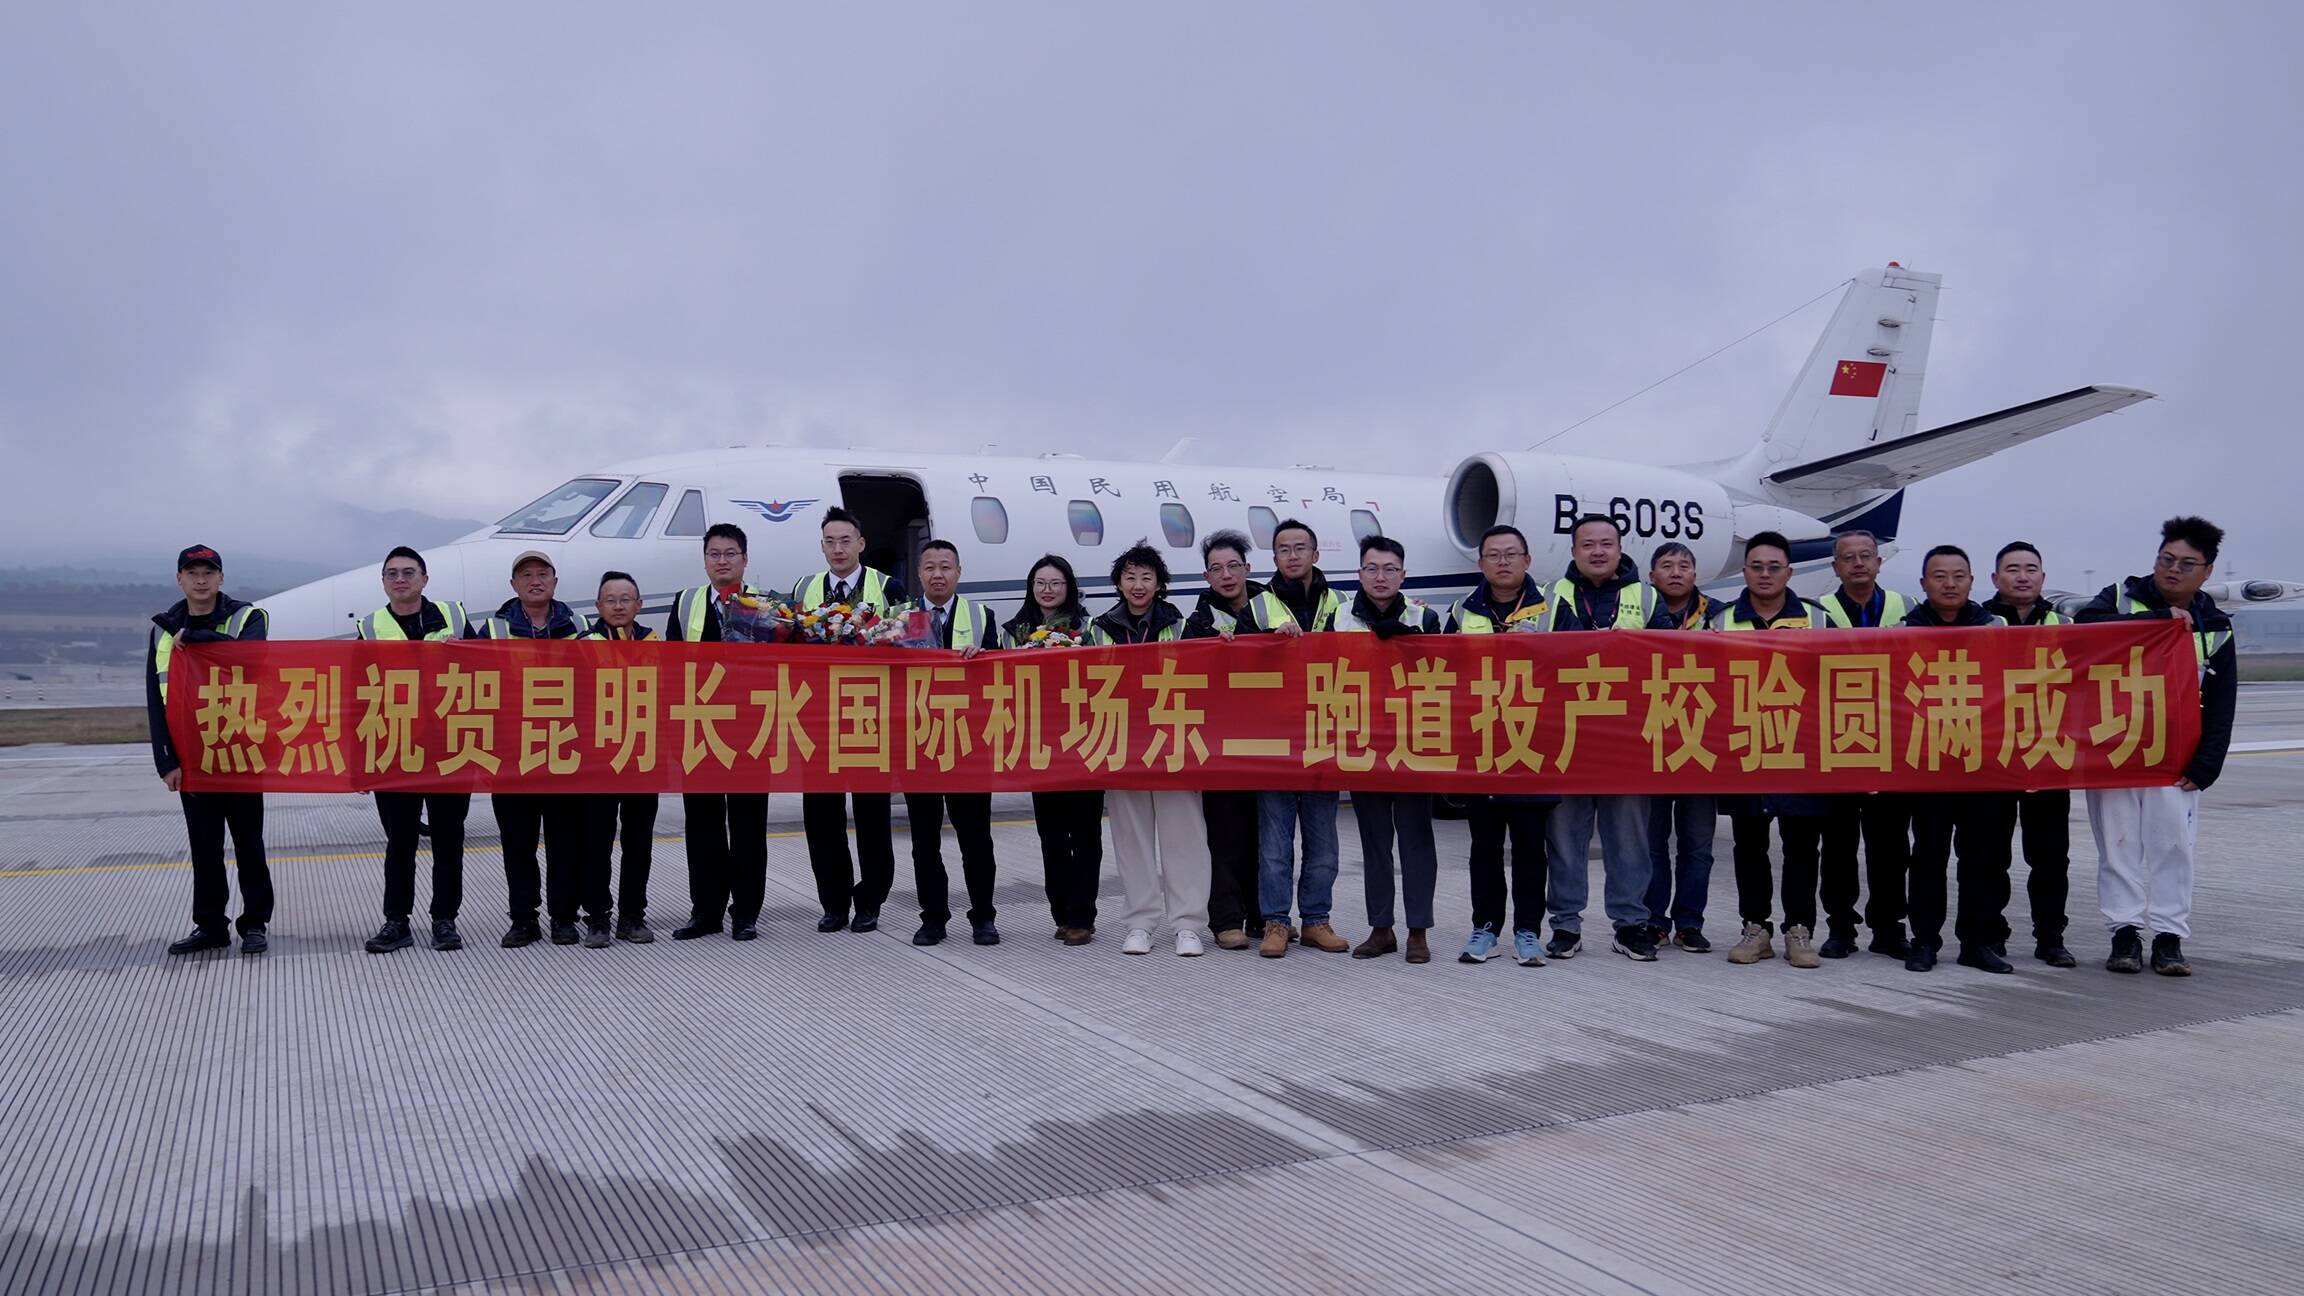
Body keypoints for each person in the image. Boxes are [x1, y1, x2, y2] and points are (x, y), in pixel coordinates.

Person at [2075, 515, 2237, 977]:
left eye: (2187, 564)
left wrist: (2207, 766)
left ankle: (2169, 937)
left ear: (2207, 572)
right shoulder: (2120, 598)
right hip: (2115, 750)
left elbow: (2222, 701)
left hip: (2175, 758)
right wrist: (2154, 621)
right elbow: (2083, 629)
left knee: (2173, 847)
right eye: (2166, 559)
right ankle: (2124, 934)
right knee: (2118, 846)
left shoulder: (2217, 625)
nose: (2173, 570)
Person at [1709, 532, 1831, 969]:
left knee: (1802, 848)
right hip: (1745, 751)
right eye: (1756, 566)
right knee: (1749, 846)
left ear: (1790, 572)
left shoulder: (1819, 621)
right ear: (1744, 572)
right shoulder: (1720, 623)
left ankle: (1800, 930)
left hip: (1803, 752)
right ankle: (1755, 928)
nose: (1764, 574)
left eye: (1773, 567)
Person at [1542, 515, 1660, 961]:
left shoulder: (1646, 596)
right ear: (1573, 551)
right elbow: (1533, 658)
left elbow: (1671, 657)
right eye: (1587, 544)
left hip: (1627, 739)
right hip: (1568, 737)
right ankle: (1566, 925)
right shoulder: (1554, 596)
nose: (1597, 551)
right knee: (1566, 838)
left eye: (1606, 543)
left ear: (1620, 548)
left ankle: (1630, 924)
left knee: (1628, 838)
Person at [147, 544, 273, 956]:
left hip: (239, 750)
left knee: (248, 843)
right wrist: (165, 760)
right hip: (192, 756)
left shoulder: (248, 617)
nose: (200, 580)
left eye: (208, 572)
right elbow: (155, 697)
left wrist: (197, 638)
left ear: (221, 578)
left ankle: (255, 923)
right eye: (192, 572)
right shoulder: (163, 630)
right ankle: (210, 925)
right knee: (204, 847)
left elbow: (248, 659)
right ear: (179, 579)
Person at [1089, 541, 1211, 956]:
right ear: (1119, 583)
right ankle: (1140, 922)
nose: (1138, 585)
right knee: (1131, 836)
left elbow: (1206, 674)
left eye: (1146, 577)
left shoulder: (1183, 625)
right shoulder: (1099, 627)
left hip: (1174, 740)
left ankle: (1188, 925)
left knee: (1185, 836)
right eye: (1130, 577)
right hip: (1122, 741)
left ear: (1160, 584)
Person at [792, 506, 906, 933]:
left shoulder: (888, 586)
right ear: (821, 546)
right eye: (829, 541)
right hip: (818, 717)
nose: (837, 549)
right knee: (821, 817)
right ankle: (834, 902)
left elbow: (909, 643)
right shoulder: (805, 589)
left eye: (845, 541)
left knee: (872, 815)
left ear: (861, 544)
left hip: (869, 716)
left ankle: (871, 900)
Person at [356, 545, 475, 954]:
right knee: (400, 843)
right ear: (384, 583)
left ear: (425, 579)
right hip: (394, 751)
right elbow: (358, 696)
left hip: (449, 749)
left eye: (409, 572)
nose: (401, 580)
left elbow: (484, 677)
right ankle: (396, 921)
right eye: (393, 574)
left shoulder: (454, 618)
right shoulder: (370, 628)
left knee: (448, 840)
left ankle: (445, 920)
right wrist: (362, 762)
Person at [1181, 529, 1296, 950]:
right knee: (1227, 834)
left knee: (1271, 834)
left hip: (1272, 738)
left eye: (1234, 566)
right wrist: (1213, 648)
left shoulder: (1275, 605)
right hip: (1223, 742)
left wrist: (1285, 636)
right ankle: (1227, 918)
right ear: (1207, 576)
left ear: (1248, 568)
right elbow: (1189, 671)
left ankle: (1268, 917)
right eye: (1216, 569)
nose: (1226, 575)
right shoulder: (1199, 620)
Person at [1900, 545, 2012, 974]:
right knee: (1927, 856)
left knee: (1982, 857)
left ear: (1972, 581)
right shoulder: (1903, 631)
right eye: (1940, 576)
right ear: (1925, 583)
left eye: (1958, 576)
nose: (1949, 584)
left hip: (1982, 762)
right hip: (1928, 762)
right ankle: (1924, 940)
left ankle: (1978, 942)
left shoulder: (1996, 628)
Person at [1447, 524, 1555, 966]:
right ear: (1481, 564)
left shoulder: (1551, 608)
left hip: (1534, 743)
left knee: (1531, 848)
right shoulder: (1461, 611)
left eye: (1512, 554)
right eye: (1494, 555)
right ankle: (1485, 928)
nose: (1503, 562)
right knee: (1484, 848)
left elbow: (1578, 665)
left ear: (1527, 561)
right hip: (1482, 745)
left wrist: (1540, 651)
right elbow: (1447, 676)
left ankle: (1528, 931)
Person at [1335, 534, 1446, 964]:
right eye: (1371, 569)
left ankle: (1418, 930)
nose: (1380, 577)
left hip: (1415, 743)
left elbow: (1447, 679)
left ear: (1403, 574)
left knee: (1418, 840)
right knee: (1374, 842)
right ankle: (1380, 928)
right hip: (1362, 743)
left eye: (1389, 569)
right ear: (1360, 573)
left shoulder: (1425, 616)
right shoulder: (1340, 619)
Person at [480, 551, 597, 948]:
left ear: (555, 581)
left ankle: (564, 917)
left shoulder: (579, 626)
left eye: (542, 574)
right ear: (513, 585)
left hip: (565, 752)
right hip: (513, 753)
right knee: (518, 842)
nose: (534, 581)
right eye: (525, 575)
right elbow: (473, 682)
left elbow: (597, 685)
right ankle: (523, 919)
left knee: (566, 841)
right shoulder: (493, 629)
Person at [663, 523, 771, 941]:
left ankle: (745, 913)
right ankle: (705, 911)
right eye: (714, 554)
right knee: (703, 824)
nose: (721, 561)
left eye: (730, 554)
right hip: (700, 726)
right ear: (704, 559)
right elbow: (672, 665)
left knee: (748, 825)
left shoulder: (765, 605)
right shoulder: (686, 602)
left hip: (750, 730)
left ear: (744, 559)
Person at [893, 540, 1002, 947]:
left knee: (976, 838)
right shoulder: (900, 619)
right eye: (930, 568)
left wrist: (984, 656)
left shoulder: (981, 616)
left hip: (968, 742)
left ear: (959, 572)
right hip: (918, 738)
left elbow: (1001, 677)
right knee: (925, 839)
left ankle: (984, 918)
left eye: (946, 567)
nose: (938, 575)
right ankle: (933, 918)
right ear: (918, 574)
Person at [1816, 530, 1915, 961]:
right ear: (1835, 567)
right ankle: (1841, 927)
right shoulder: (1818, 613)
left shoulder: (1907, 609)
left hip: (1892, 743)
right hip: (1836, 741)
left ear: (1879, 562)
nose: (1858, 564)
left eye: (1866, 556)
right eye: (1848, 558)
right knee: (1837, 846)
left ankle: (1889, 927)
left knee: (1891, 845)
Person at [1257, 518, 1351, 957]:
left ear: (1316, 554)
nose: (1292, 556)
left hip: (1324, 735)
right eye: (1283, 549)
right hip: (1273, 739)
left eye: (1300, 548)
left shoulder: (1342, 603)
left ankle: (1317, 920)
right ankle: (1276, 923)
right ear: (1273, 558)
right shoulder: (1259, 604)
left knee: (1323, 842)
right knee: (1274, 843)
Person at [1979, 541, 2077, 967]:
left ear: (2043, 577)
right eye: (2013, 568)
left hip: (2047, 752)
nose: (2022, 576)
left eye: (2031, 568)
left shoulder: (2069, 623)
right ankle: (1992, 935)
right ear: (1995, 578)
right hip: (1991, 756)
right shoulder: (1975, 620)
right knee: (1989, 855)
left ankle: (2051, 937)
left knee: (2050, 856)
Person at [1001, 555, 1104, 945]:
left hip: (1085, 741)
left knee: (1086, 835)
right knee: (1052, 836)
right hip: (1040, 744)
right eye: (1041, 583)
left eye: (1056, 583)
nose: (1048, 590)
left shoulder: (1090, 627)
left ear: (1069, 588)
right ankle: (1060, 912)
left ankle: (1082, 916)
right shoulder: (1014, 631)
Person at [1642, 541, 1716, 953]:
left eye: (1683, 565)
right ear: (1651, 576)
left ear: (1695, 574)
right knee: (1652, 844)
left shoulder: (1719, 616)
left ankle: (1690, 922)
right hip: (1651, 745)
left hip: (1702, 748)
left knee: (1697, 845)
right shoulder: (1638, 616)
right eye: (1666, 566)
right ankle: (1655, 921)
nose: (1675, 572)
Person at [583, 570, 658, 943]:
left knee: (639, 841)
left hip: (643, 758)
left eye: (625, 599)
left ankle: (632, 915)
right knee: (596, 841)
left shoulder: (656, 643)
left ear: (639, 605)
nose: (617, 606)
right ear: (598, 606)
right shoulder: (582, 644)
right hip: (598, 759)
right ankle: (597, 917)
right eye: (610, 600)